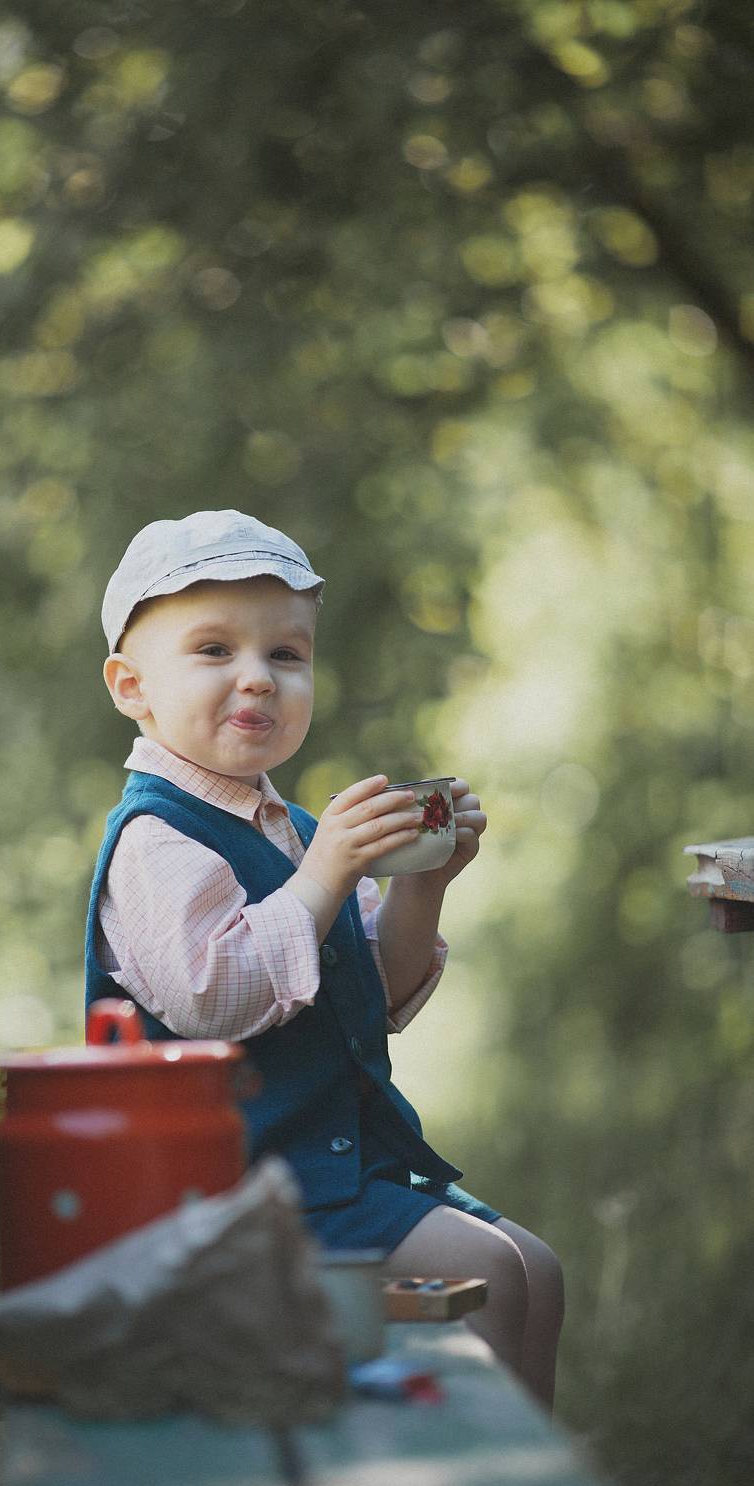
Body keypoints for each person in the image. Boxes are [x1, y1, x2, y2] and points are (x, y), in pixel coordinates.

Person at [84, 510, 563, 1409]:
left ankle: (528, 1468)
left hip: (330, 1175)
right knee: (488, 1275)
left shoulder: (294, 831)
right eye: (214, 650)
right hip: (231, 1200)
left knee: (534, 1267)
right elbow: (216, 999)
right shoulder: (156, 839)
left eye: (286, 654)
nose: (257, 677)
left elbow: (374, 994)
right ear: (131, 686)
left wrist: (423, 883)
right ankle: (462, 1463)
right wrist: (325, 875)